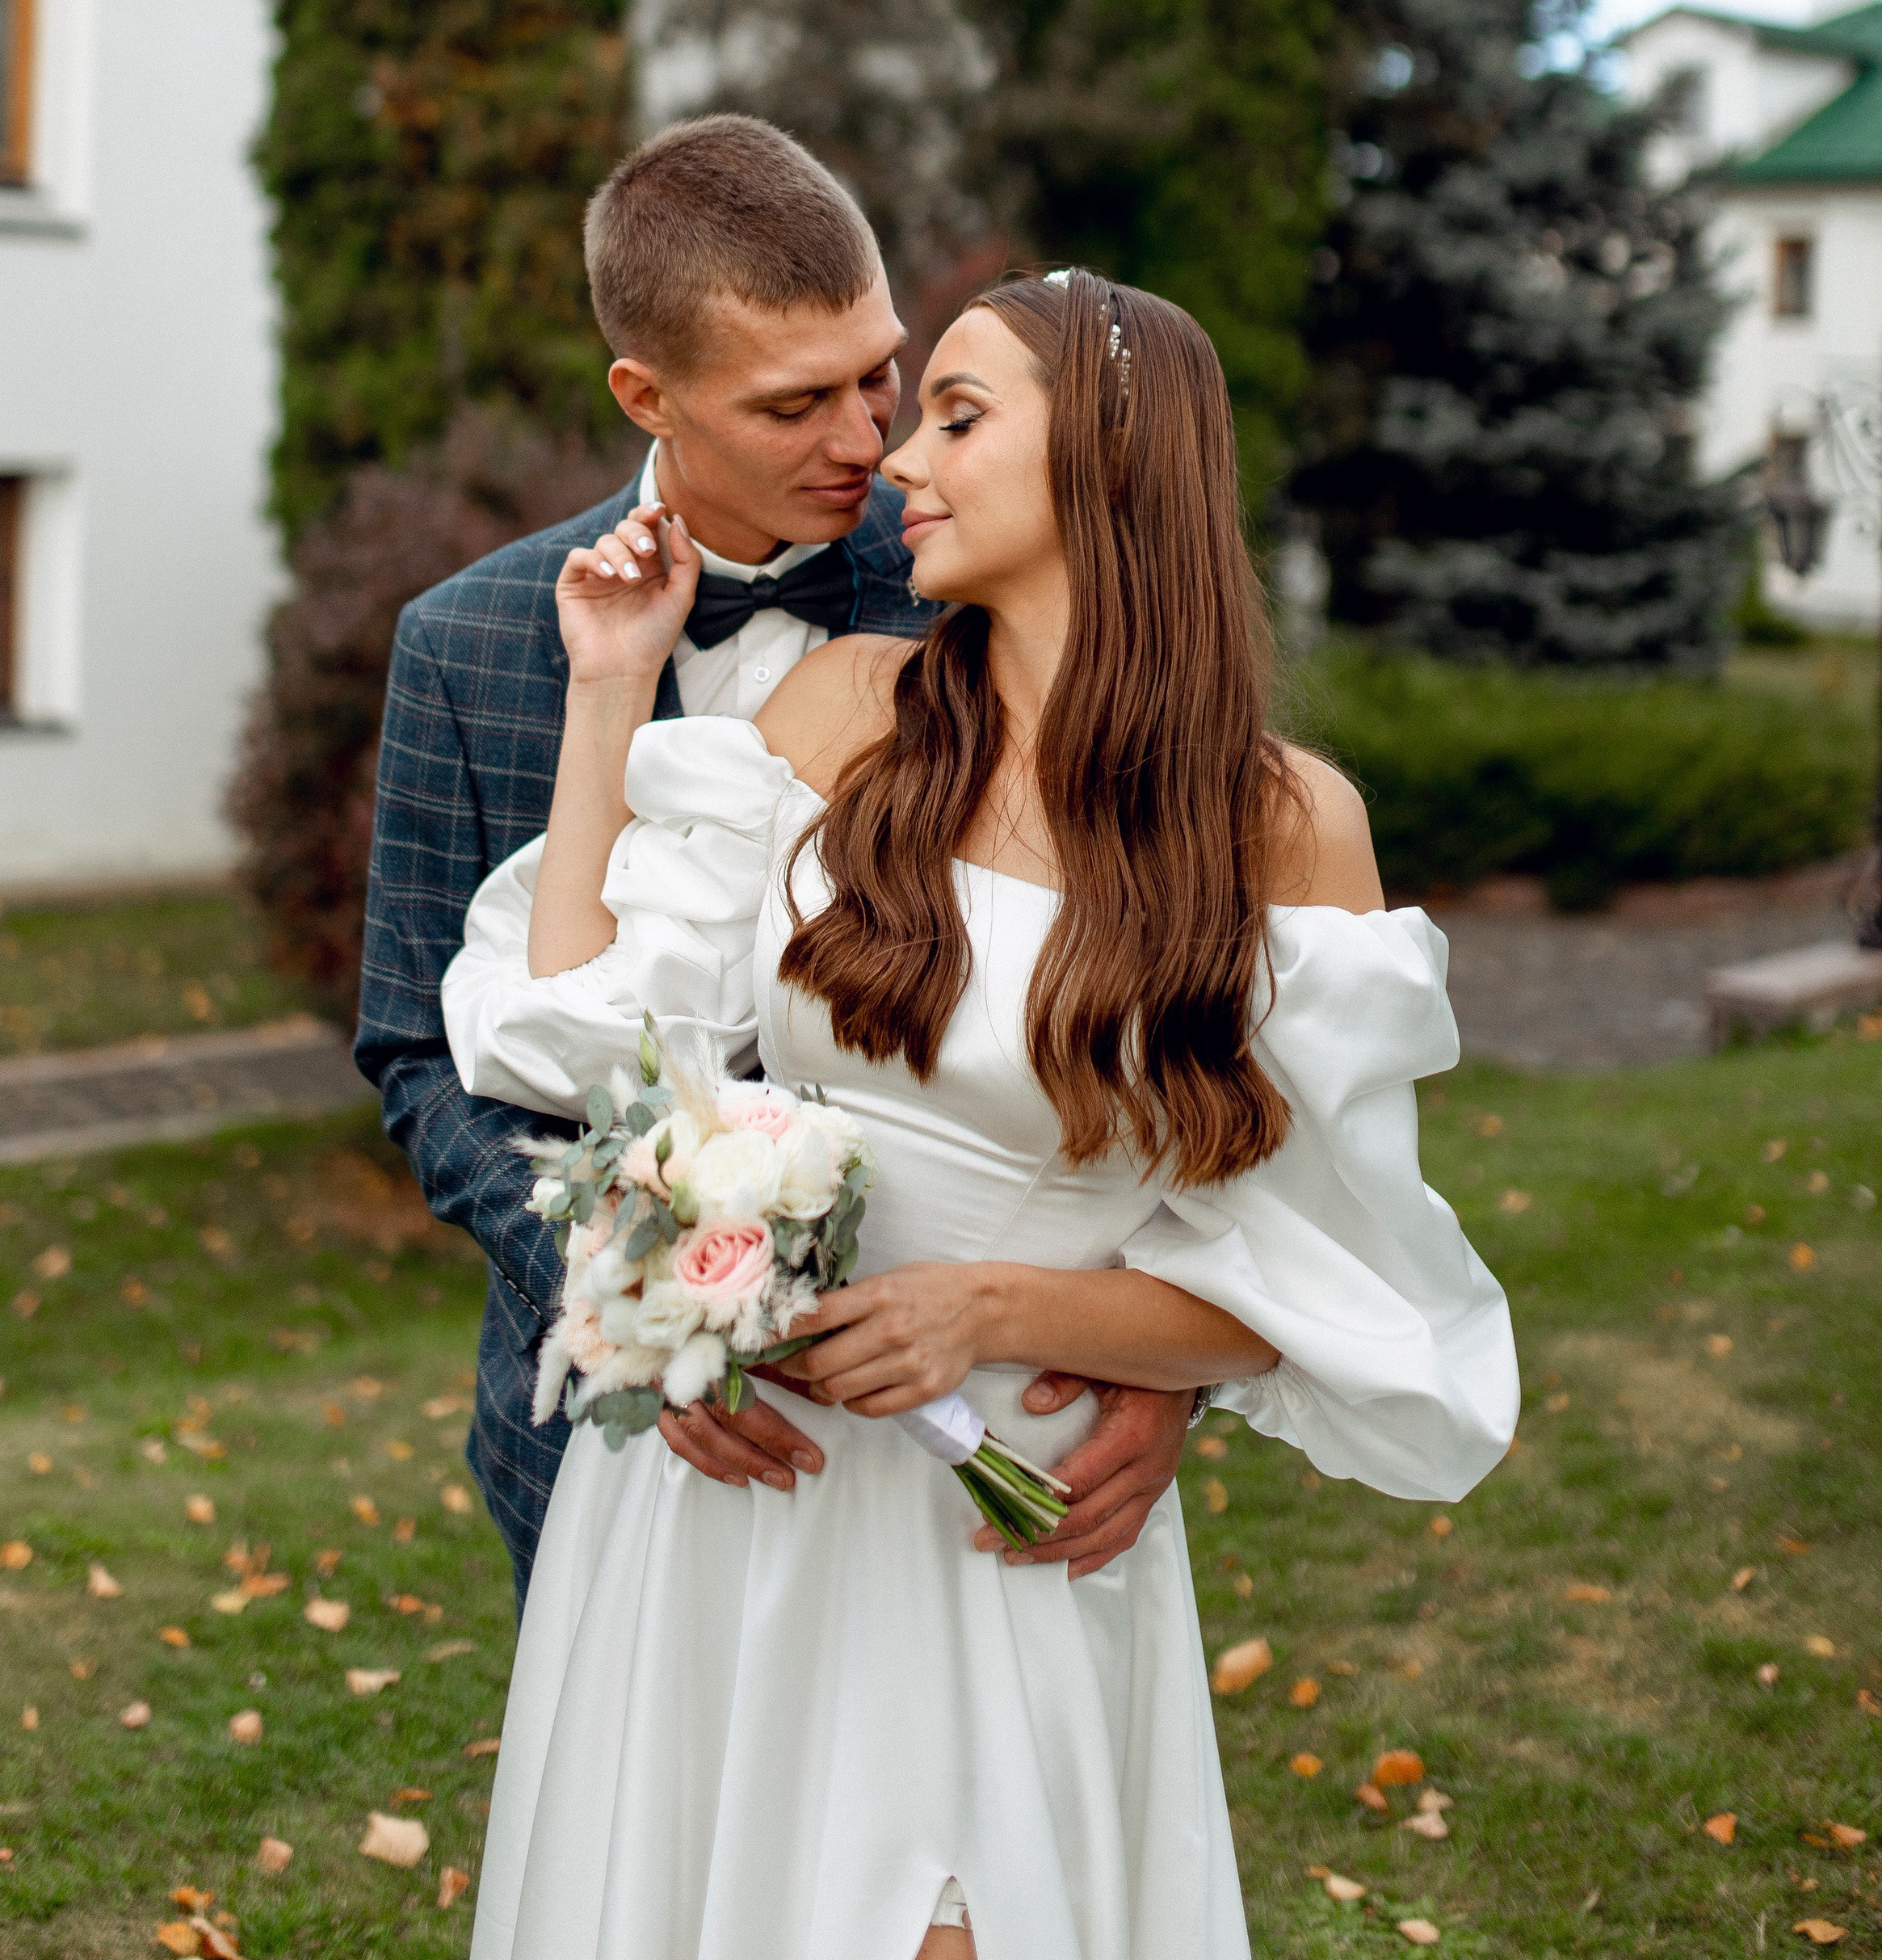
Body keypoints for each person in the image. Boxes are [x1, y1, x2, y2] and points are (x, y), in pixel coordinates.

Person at [444, 269, 1520, 1960]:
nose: (893, 465)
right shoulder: (845, 713)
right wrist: (609, 687)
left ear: (1106, 452)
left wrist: (1003, 1310)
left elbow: (1316, 1282)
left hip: (1000, 1515)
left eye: (952, 416)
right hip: (740, 1503)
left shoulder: (1282, 829)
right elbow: (589, 1046)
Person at [355, 116, 1202, 1597]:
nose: (869, 440)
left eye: (881, 374)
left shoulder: (979, 584)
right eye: (797, 403)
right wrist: (645, 1310)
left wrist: (1161, 1358)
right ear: (647, 394)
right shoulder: (469, 648)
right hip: (612, 1436)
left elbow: (1164, 1006)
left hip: (973, 1437)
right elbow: (421, 1055)